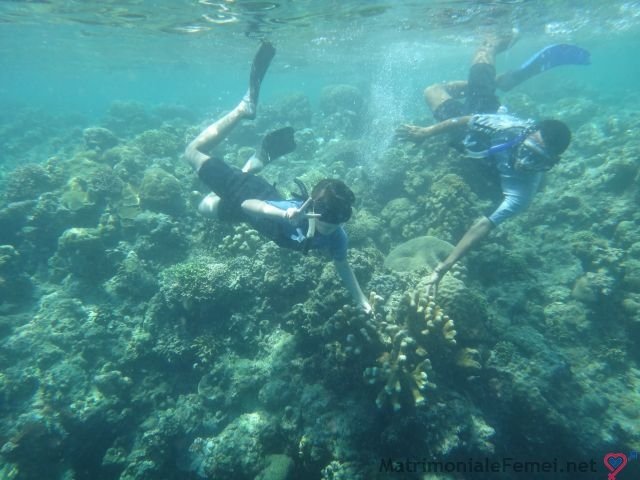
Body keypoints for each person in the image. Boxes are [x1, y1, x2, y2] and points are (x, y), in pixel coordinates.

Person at [184, 41, 372, 313]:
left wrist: (360, 299)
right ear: (312, 209)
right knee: (191, 152)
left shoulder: (338, 236)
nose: (332, 230)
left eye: (338, 224)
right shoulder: (292, 210)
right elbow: (248, 204)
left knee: (204, 207)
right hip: (245, 193)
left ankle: (255, 161)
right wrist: (283, 214)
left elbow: (343, 265)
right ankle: (242, 110)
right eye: (328, 223)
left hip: (253, 218)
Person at [396, 35, 581, 296]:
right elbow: (464, 120)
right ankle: (492, 42)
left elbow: (483, 225)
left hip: (480, 153)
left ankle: (497, 81)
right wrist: (426, 133)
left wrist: (442, 268)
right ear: (525, 136)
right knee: (436, 88)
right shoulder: (506, 127)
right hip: (482, 121)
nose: (525, 163)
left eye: (538, 160)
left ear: (551, 163)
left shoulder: (524, 192)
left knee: (431, 92)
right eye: (528, 152)